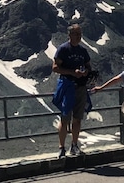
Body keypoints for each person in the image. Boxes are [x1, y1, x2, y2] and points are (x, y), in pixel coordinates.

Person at [52, 24, 92, 158]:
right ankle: (61, 147)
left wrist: (85, 72)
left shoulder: (83, 51)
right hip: (67, 86)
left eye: (80, 33)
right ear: (69, 35)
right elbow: (55, 67)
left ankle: (74, 145)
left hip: (80, 87)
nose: (79, 36)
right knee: (65, 119)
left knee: (78, 119)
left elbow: (88, 67)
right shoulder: (63, 49)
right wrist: (71, 72)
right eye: (76, 34)